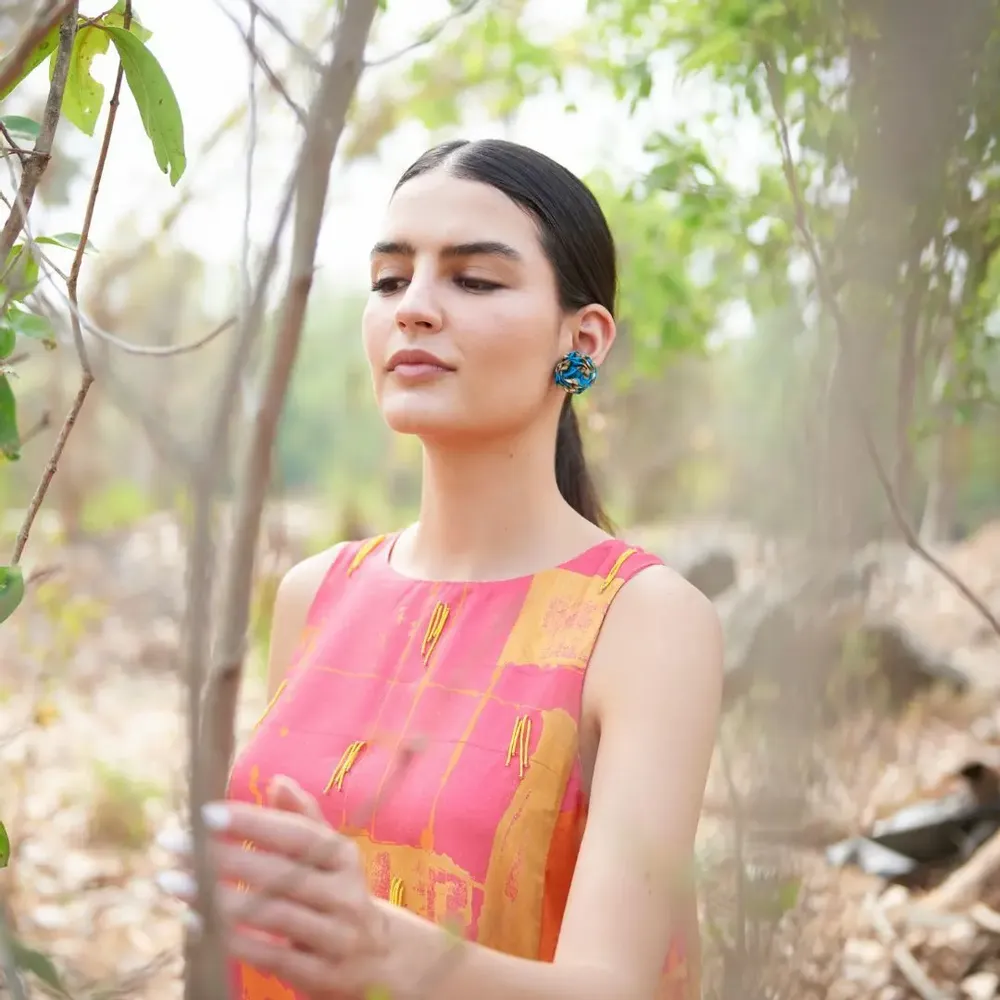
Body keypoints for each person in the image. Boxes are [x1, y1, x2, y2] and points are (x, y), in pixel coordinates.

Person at [157, 138, 724, 1000]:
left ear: (584, 339)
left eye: (475, 280)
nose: (414, 308)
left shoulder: (644, 621)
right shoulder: (317, 594)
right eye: (389, 280)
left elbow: (617, 988)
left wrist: (394, 957)